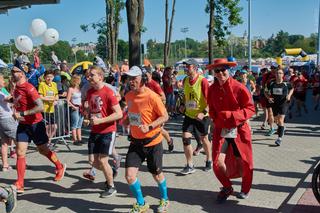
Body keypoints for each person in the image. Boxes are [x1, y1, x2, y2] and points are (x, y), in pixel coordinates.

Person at [11, 65, 66, 193]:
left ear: (22, 73)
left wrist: (23, 113)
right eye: (12, 71)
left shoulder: (29, 88)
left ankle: (59, 166)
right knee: (20, 152)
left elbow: (40, 107)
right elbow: (19, 102)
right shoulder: (16, 88)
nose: (12, 73)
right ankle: (20, 183)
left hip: (36, 124)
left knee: (42, 149)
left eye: (15, 71)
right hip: (23, 125)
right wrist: (11, 101)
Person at [206, 58, 255, 203]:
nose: (221, 73)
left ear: (229, 70)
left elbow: (251, 108)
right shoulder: (212, 89)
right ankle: (227, 187)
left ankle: (245, 189)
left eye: (223, 70)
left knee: (245, 162)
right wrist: (216, 120)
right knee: (216, 162)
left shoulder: (239, 87)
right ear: (214, 73)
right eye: (217, 70)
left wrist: (231, 115)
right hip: (222, 130)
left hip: (239, 130)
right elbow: (212, 108)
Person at [124, 66, 170, 213]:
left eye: (134, 78)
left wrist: (150, 126)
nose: (131, 81)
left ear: (142, 79)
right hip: (136, 143)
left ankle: (165, 199)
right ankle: (141, 203)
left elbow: (165, 116)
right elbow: (132, 114)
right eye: (129, 78)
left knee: (157, 175)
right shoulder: (129, 95)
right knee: (130, 176)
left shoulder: (152, 96)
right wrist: (125, 121)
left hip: (153, 143)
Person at [83, 65, 122, 197]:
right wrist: (87, 117)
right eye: (88, 76)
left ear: (100, 76)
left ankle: (111, 186)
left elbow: (119, 114)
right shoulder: (89, 92)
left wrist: (101, 121)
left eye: (92, 75)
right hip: (95, 130)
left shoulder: (108, 92)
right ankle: (110, 171)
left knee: (103, 160)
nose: (89, 78)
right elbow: (91, 111)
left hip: (108, 130)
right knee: (92, 161)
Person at [179, 59, 212, 174]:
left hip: (202, 116)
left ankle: (209, 160)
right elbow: (185, 96)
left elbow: (210, 101)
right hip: (189, 115)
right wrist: (182, 105)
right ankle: (190, 164)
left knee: (204, 139)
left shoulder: (203, 81)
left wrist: (203, 112)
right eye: (185, 67)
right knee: (185, 138)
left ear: (195, 67)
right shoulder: (185, 80)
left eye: (188, 67)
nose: (186, 69)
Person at [144, 67, 174, 152]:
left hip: (158, 110)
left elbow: (163, 97)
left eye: (145, 75)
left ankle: (169, 141)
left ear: (150, 74)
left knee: (159, 129)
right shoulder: (143, 84)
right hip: (148, 111)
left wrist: (153, 100)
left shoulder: (154, 84)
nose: (144, 77)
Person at [265, 69, 294, 146]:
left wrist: (289, 95)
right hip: (274, 103)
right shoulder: (271, 83)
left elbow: (292, 89)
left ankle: (279, 139)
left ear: (283, 75)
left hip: (283, 103)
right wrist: (268, 98)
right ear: (275, 74)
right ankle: (281, 128)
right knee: (276, 120)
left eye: (280, 73)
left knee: (281, 119)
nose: (278, 74)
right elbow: (265, 91)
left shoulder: (286, 84)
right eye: (277, 73)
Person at [0, 74, 17, 172]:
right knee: (18, 141)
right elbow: (11, 100)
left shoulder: (2, 92)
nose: (4, 82)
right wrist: (14, 89)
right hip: (6, 119)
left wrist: (12, 89)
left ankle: (5, 165)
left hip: (3, 119)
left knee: (4, 143)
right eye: (2, 80)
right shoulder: (0, 93)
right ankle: (21, 163)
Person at [38, 70, 59, 143]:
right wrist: (50, 98)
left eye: (51, 77)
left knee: (54, 126)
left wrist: (56, 101)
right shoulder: (42, 84)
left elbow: (56, 95)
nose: (49, 78)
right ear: (45, 77)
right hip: (44, 109)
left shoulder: (54, 84)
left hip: (52, 109)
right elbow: (40, 97)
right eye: (47, 77)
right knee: (46, 127)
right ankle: (47, 141)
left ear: (53, 77)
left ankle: (49, 139)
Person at [66, 75, 84, 146]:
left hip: (80, 107)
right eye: (78, 79)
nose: (79, 81)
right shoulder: (70, 89)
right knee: (74, 124)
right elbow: (67, 100)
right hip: (75, 108)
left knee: (79, 125)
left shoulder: (79, 88)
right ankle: (75, 140)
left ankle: (80, 139)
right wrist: (73, 106)